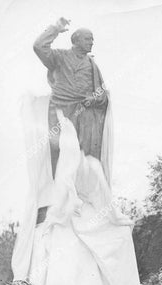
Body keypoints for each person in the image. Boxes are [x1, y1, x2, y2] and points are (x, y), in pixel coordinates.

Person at [33, 17, 108, 180]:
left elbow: (102, 93)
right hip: (61, 110)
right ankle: (59, 196)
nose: (92, 42)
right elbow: (38, 46)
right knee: (60, 152)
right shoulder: (60, 57)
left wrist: (96, 99)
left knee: (85, 156)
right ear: (76, 40)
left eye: (92, 39)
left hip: (85, 114)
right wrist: (55, 29)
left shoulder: (92, 65)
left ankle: (82, 194)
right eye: (88, 39)